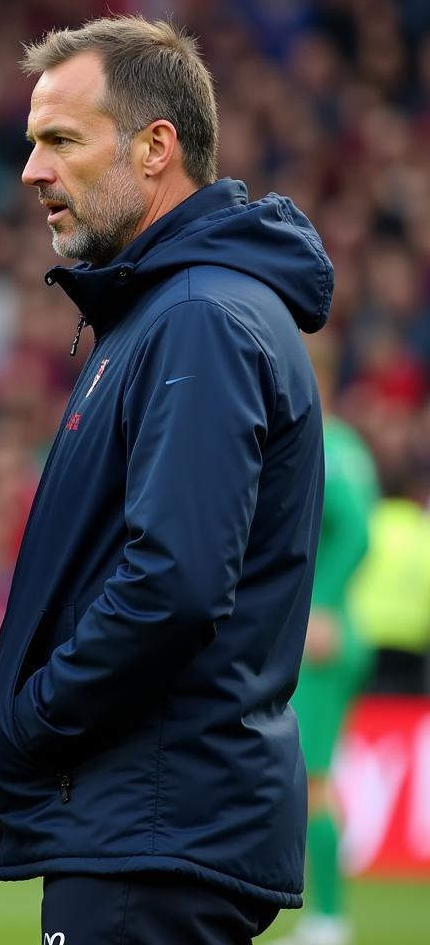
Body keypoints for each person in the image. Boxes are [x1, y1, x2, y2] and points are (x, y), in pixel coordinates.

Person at [0, 16, 333, 945]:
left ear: (155, 147)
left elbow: (172, 584)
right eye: (30, 144)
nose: (32, 171)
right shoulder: (169, 310)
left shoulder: (196, 319)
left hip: (153, 829)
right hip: (151, 820)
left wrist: (36, 716)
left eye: (60, 139)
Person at [276, 347, 377, 945]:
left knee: (311, 781)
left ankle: (330, 921)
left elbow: (360, 532)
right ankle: (323, 914)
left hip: (327, 637)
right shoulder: (342, 446)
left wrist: (326, 608)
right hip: (328, 632)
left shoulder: (330, 447)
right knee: (309, 779)